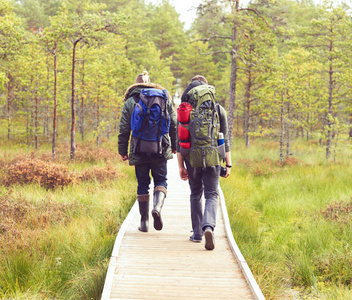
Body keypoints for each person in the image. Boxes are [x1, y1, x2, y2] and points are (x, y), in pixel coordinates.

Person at [177, 75, 232, 250]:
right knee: (211, 194)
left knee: (195, 194)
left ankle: (197, 233)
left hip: (192, 159)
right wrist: (228, 164)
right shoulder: (218, 109)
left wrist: (180, 166)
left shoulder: (185, 109)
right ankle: (209, 226)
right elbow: (225, 139)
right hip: (214, 157)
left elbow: (181, 141)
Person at [118, 71, 177, 232]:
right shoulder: (164, 97)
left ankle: (144, 222)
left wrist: (122, 150)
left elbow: (124, 128)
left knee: (143, 184)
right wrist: (174, 145)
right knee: (161, 181)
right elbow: (173, 123)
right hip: (160, 147)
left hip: (139, 148)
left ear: (135, 85)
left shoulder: (130, 100)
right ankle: (157, 208)